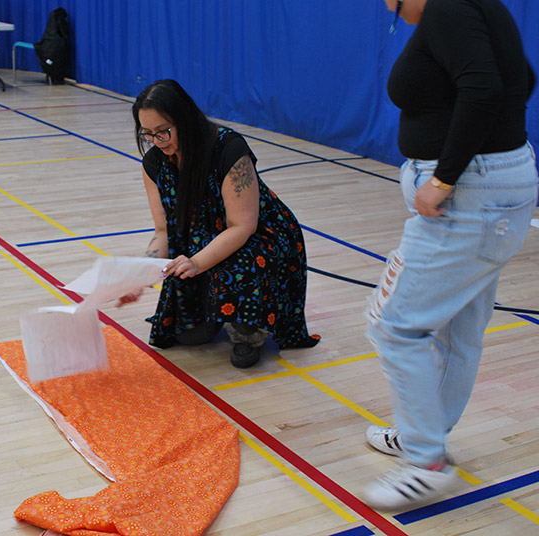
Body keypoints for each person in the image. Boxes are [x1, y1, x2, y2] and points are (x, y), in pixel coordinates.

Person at [363, 0, 537, 511]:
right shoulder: (473, 5)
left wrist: (444, 177)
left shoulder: (448, 7)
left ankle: (426, 463)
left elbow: (484, 89)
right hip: (492, 188)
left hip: (471, 197)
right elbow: (521, 79)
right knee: (459, 328)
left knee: (394, 326)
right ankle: (427, 436)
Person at [119, 79, 320, 368]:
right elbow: (163, 231)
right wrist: (138, 275)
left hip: (259, 237)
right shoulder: (154, 163)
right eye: (148, 134)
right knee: (188, 336)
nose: (157, 141)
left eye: (163, 131)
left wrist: (197, 263)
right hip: (203, 238)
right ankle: (218, 309)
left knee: (242, 262)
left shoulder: (228, 147)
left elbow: (242, 226)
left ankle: (248, 332)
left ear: (185, 120)